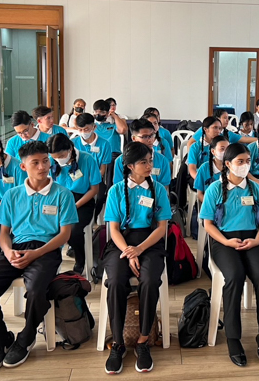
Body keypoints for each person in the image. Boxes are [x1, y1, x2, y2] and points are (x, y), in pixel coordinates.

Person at [0, 141, 78, 371]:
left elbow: (64, 235)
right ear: (23, 167)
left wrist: (37, 253)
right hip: (16, 248)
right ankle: (1, 341)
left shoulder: (63, 194)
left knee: (36, 290)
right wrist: (8, 251)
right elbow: (3, 233)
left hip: (46, 250)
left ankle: (27, 336)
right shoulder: (12, 195)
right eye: (36, 163)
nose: (43, 166)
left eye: (45, 161)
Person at [200, 143, 259, 367]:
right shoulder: (215, 188)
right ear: (228, 164)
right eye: (240, 162)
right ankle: (233, 338)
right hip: (224, 240)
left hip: (251, 239)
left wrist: (257, 240)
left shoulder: (255, 188)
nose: (244, 166)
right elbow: (208, 224)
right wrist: (225, 241)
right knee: (234, 277)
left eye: (248, 161)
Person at [103, 142, 171, 374]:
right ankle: (118, 342)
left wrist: (139, 249)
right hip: (120, 243)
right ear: (130, 165)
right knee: (114, 281)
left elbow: (162, 228)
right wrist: (128, 252)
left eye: (150, 161)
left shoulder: (158, 190)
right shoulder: (115, 190)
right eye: (144, 162)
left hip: (149, 242)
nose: (150, 165)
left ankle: (143, 340)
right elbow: (112, 230)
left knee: (150, 280)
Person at [48, 133, 101, 274]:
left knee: (74, 230)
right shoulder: (50, 160)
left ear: (70, 149)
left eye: (61, 156)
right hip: (58, 199)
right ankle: (49, 263)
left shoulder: (87, 159)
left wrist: (74, 206)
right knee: (46, 225)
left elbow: (94, 189)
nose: (58, 160)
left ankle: (80, 261)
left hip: (82, 200)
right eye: (55, 158)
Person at [113, 118, 172, 189]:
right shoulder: (121, 161)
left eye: (152, 135)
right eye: (144, 137)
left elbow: (164, 190)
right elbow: (118, 188)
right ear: (134, 138)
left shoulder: (163, 161)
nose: (150, 140)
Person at [71, 113, 112, 178]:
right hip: (77, 179)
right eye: (80, 130)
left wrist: (93, 180)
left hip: (96, 178)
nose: (83, 132)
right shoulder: (72, 144)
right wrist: (82, 181)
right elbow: (71, 167)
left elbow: (102, 169)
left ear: (94, 127)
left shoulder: (105, 144)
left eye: (86, 129)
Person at [195, 135, 229, 204]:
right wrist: (211, 206)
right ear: (213, 151)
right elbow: (199, 194)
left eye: (227, 149)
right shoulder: (204, 168)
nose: (225, 152)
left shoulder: (233, 167)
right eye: (222, 149)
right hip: (210, 205)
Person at [187, 116, 223, 182]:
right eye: (215, 128)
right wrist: (200, 181)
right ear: (205, 129)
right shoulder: (195, 147)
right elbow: (192, 169)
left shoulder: (222, 146)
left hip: (219, 179)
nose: (218, 131)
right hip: (201, 177)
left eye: (220, 128)